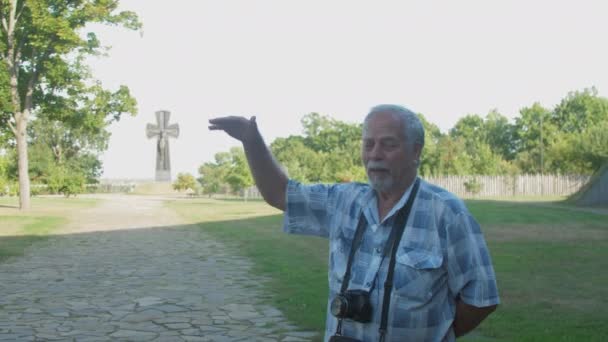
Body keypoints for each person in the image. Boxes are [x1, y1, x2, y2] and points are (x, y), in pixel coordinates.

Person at [209, 104, 499, 341]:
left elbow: (481, 298)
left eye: (388, 144)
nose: (375, 154)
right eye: (369, 144)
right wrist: (252, 141)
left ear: (416, 151)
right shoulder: (344, 201)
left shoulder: (447, 213)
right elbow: (280, 193)